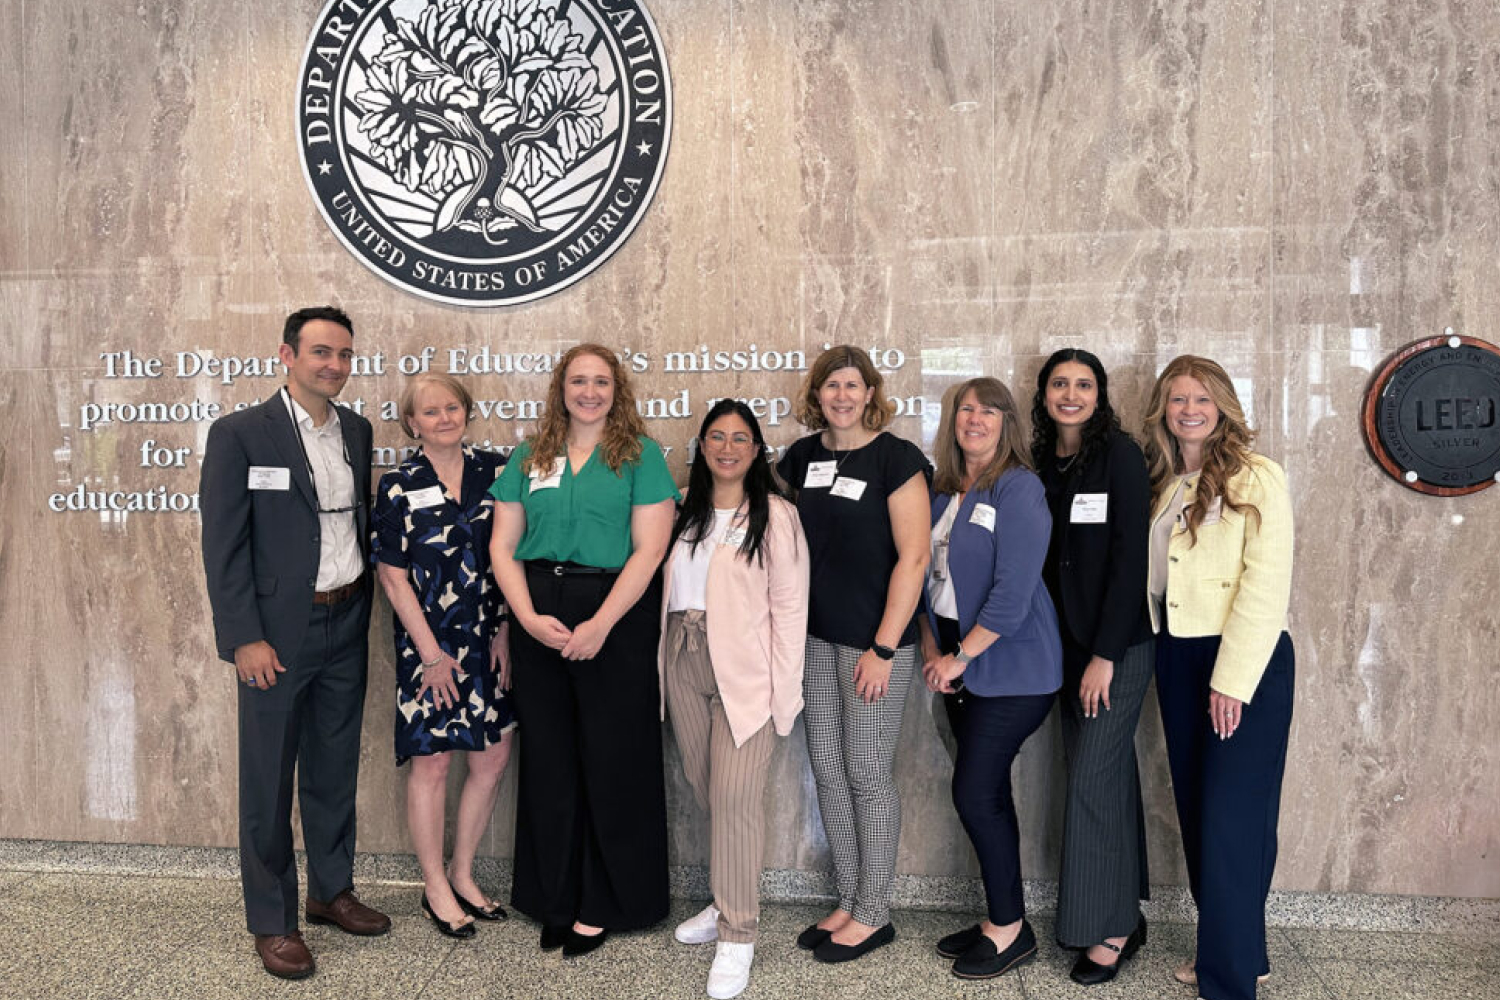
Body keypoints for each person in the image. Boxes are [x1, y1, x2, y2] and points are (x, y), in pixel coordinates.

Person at [199, 305, 391, 980]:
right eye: (320, 352)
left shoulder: (357, 430)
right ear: (287, 355)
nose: (334, 365)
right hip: (277, 635)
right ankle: (273, 920)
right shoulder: (240, 434)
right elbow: (224, 547)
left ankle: (331, 891)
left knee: (334, 768)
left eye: (344, 354)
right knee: (268, 777)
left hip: (347, 620)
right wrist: (243, 638)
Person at [488, 343, 679, 957]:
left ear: (616, 389)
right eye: (578, 381)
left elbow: (650, 550)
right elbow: (502, 546)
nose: (589, 392)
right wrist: (525, 618)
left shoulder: (640, 456)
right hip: (539, 609)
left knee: (613, 758)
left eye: (601, 381)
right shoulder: (530, 456)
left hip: (615, 611)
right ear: (561, 388)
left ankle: (607, 900)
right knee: (549, 759)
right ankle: (556, 896)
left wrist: (600, 624)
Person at [1143, 356, 1294, 1000]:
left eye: (1201, 398)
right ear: (1163, 410)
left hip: (1242, 662)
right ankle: (1241, 950)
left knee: (1234, 817)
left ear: (1223, 405)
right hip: (1177, 656)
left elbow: (1266, 583)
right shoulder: (1167, 483)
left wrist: (1232, 680)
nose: (1189, 409)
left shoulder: (1258, 475)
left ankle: (1228, 982)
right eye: (1178, 399)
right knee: (1200, 811)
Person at [775, 345, 931, 963]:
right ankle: (849, 897)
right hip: (815, 639)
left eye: (852, 385)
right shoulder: (801, 457)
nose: (842, 396)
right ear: (817, 394)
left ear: (870, 393)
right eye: (831, 385)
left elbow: (914, 558)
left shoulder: (897, 459)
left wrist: (884, 647)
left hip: (875, 645)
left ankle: (875, 912)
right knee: (829, 770)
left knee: (867, 772)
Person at [662, 400, 810, 1000]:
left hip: (745, 675)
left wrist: (784, 695)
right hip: (683, 660)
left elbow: (791, 610)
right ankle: (725, 900)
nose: (728, 448)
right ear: (702, 446)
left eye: (740, 438)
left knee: (736, 800)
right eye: (717, 437)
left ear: (756, 449)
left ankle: (739, 933)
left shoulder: (776, 515)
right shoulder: (682, 508)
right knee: (709, 793)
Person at [916, 376, 1062, 980]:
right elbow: (924, 576)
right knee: (989, 793)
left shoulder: (1018, 487)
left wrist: (960, 656)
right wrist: (934, 650)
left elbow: (1013, 591)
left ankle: (1010, 930)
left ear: (1008, 423)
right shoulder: (942, 490)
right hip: (957, 663)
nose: (974, 420)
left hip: (1015, 668)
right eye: (965, 410)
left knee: (975, 793)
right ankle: (1002, 918)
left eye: (989, 411)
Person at [371, 374, 516, 939]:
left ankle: (462, 872)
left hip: (490, 641)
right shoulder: (399, 485)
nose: (444, 418)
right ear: (412, 423)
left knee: (492, 758)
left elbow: (513, 556)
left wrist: (505, 630)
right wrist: (431, 656)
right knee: (433, 763)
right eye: (430, 412)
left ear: (467, 412)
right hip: (430, 649)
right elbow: (393, 576)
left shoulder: (498, 472)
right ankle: (434, 886)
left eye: (452, 407)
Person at [1029, 349, 1153, 984]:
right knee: (1103, 775)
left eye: (1083, 385)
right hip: (1064, 647)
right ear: (1044, 394)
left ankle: (1111, 928)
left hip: (1115, 647)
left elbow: (1132, 560)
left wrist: (1105, 654)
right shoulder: (1041, 461)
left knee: (1091, 782)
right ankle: (1126, 910)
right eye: (1060, 384)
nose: (1070, 394)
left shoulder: (1120, 457)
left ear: (1100, 395)